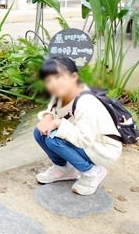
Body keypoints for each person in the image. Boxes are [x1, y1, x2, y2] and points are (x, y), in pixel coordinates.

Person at [34, 57, 122, 196]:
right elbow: (51, 109)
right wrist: (47, 118)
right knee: (39, 132)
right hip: (82, 139)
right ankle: (63, 168)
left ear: (74, 77)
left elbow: (84, 139)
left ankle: (92, 172)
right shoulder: (61, 94)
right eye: (49, 80)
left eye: (58, 77)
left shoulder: (86, 103)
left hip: (102, 147)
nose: (53, 83)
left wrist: (58, 123)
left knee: (53, 138)